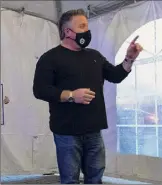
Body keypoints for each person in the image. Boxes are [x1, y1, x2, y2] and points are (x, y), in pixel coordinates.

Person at [33, 9, 142, 184]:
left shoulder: (94, 56)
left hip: (94, 131)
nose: (87, 31)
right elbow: (40, 90)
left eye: (87, 26)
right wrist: (70, 95)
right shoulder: (50, 58)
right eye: (82, 26)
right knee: (70, 180)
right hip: (66, 132)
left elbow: (115, 75)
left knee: (95, 179)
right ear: (68, 31)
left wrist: (129, 59)